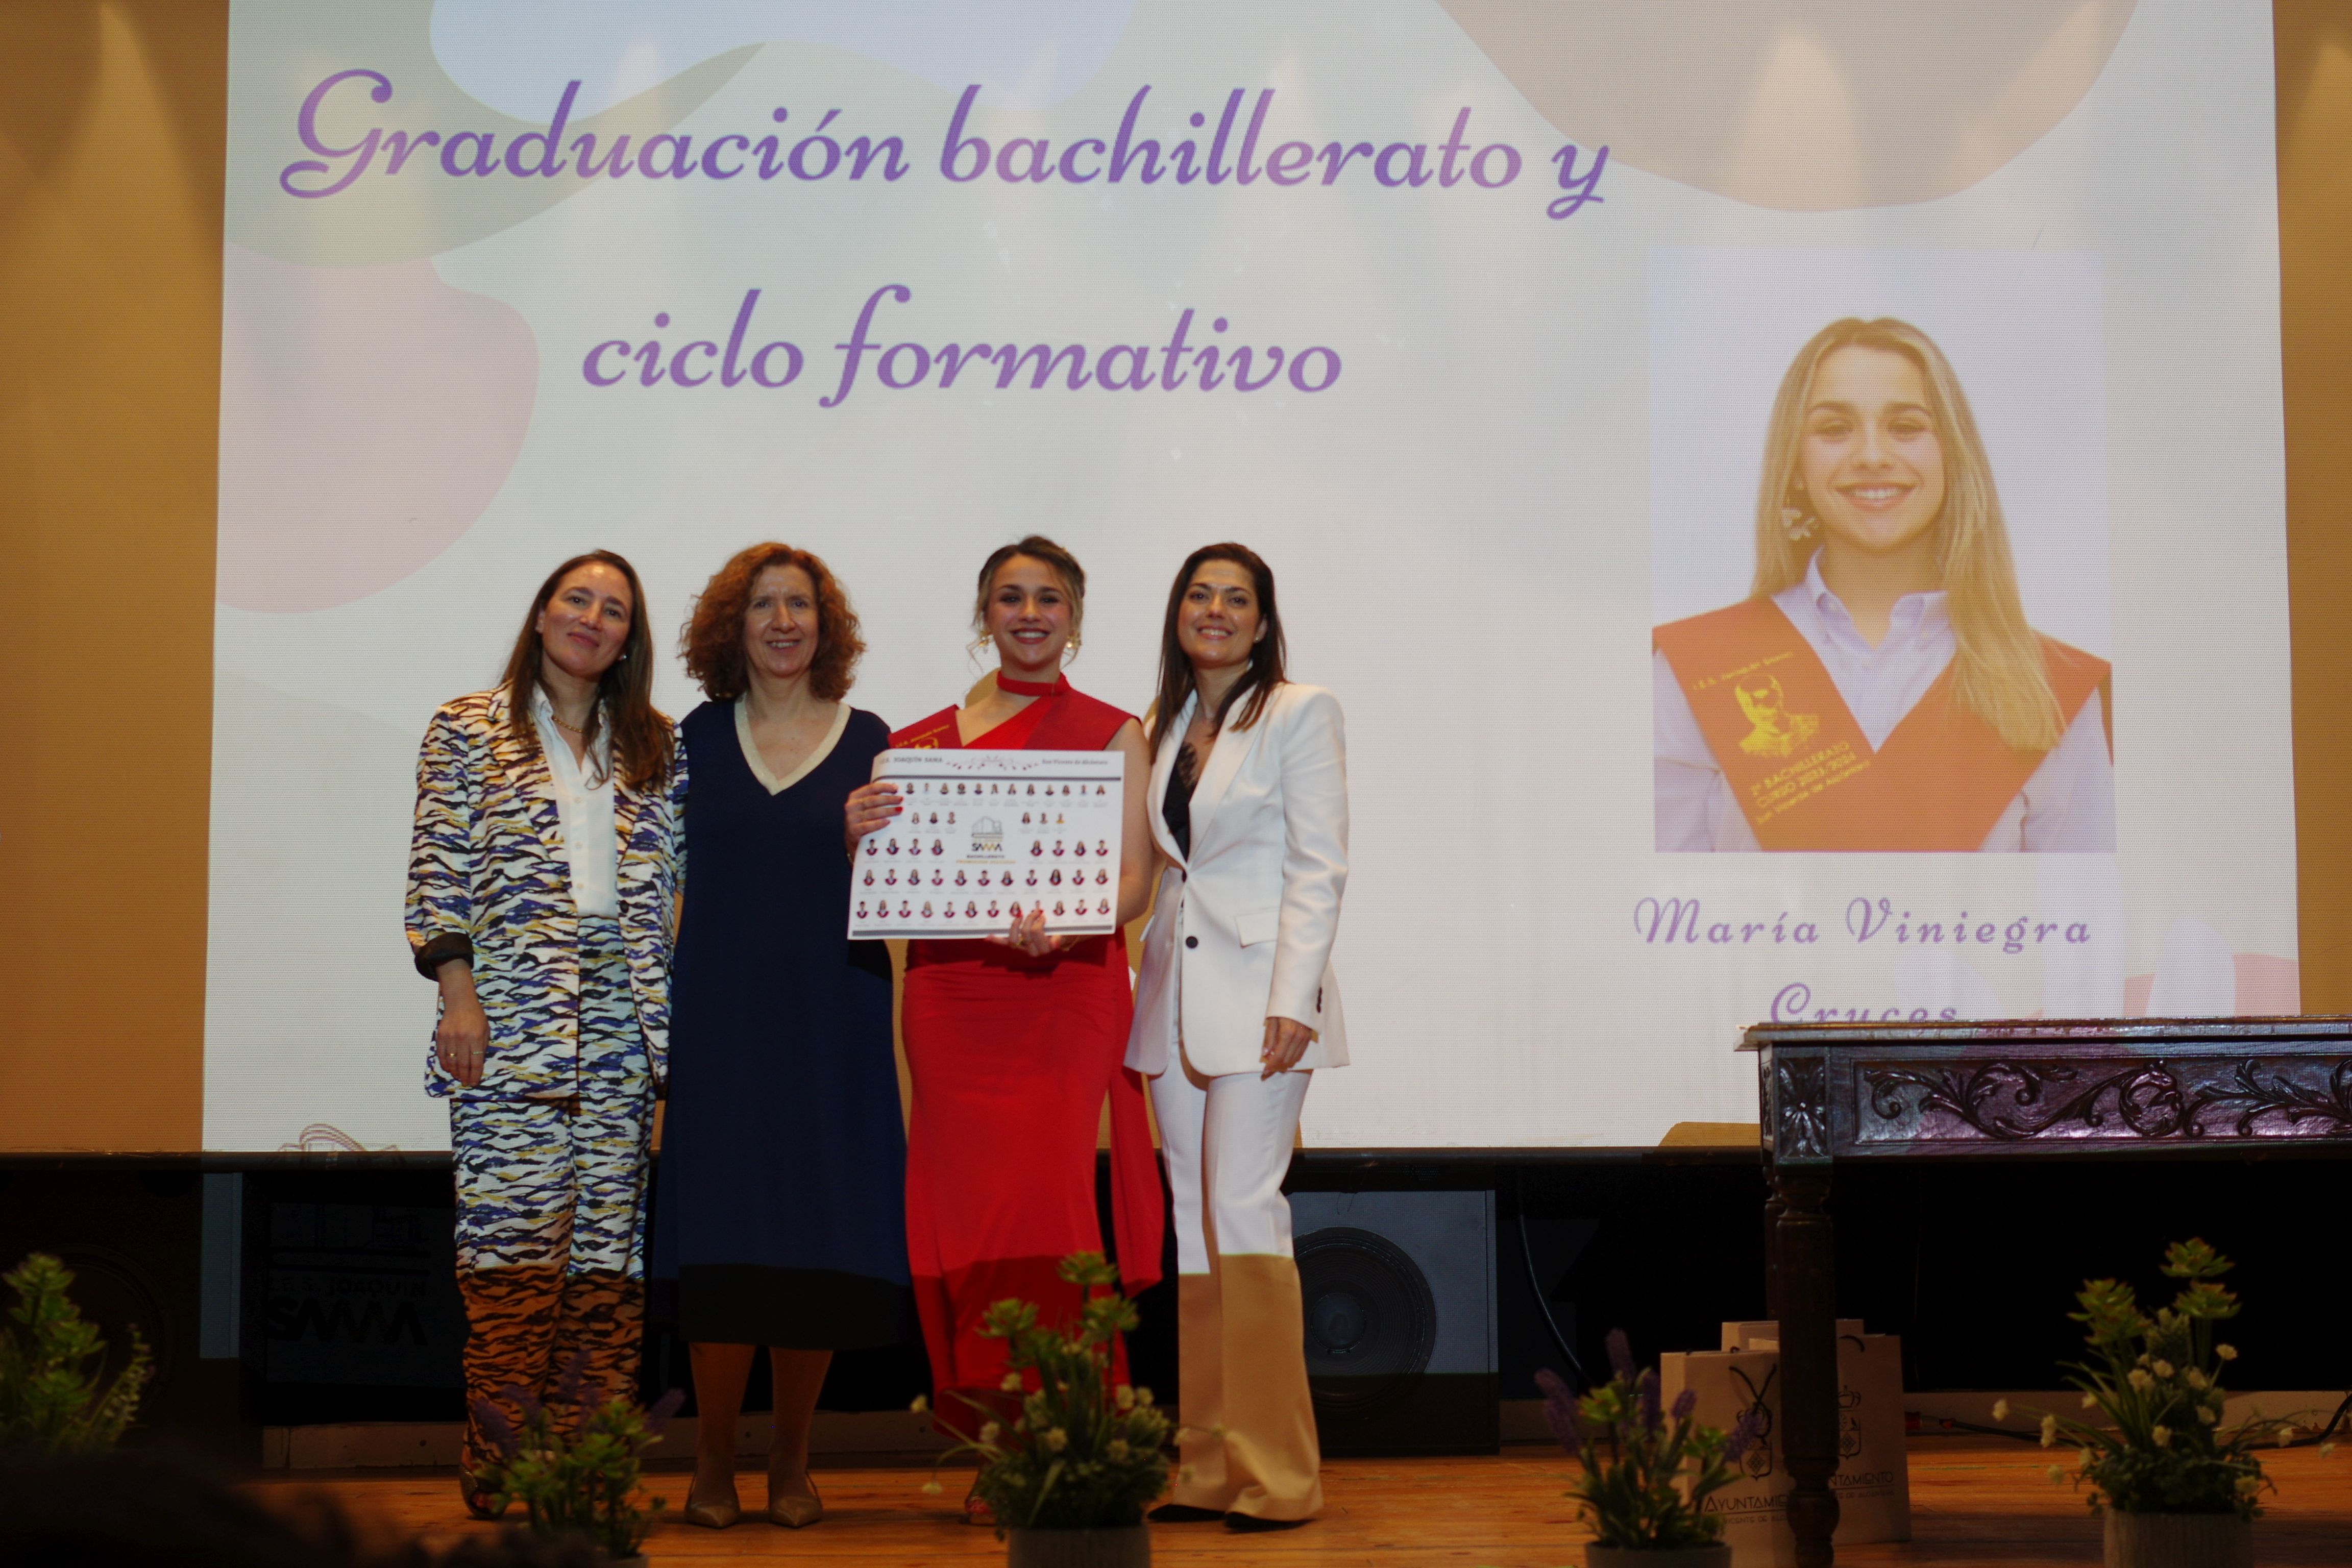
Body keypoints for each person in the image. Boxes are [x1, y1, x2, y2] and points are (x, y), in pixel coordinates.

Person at [844, 535, 1163, 1518]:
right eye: (1010, 597)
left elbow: (1136, 879)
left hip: (1063, 992)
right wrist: (857, 833)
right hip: (949, 999)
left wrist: (1067, 920)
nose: (1030, 614)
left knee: (1047, 1208)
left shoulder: (1113, 731)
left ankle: (1065, 1431)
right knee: (965, 1213)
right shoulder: (918, 746)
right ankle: (999, 1441)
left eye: (1049, 598)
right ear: (983, 614)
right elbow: (889, 874)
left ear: (1075, 616)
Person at [404, 550, 683, 1518]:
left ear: (628, 639)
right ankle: (504, 1467)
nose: (592, 619)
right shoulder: (466, 727)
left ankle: (588, 1472)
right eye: (577, 599)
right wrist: (459, 995)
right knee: (511, 1257)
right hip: (509, 1012)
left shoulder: (657, 744)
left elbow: (683, 883)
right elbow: (436, 869)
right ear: (541, 614)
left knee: (606, 1262)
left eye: (614, 610)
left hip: (625, 1021)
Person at [650, 545, 910, 1530]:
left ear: (824, 626)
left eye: (800, 604)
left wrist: (863, 842)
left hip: (833, 1021)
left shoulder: (872, 739)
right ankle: (713, 1454)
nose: (783, 621)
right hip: (719, 1021)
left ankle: (792, 1458)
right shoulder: (690, 739)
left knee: (815, 1240)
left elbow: (909, 878)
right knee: (724, 1241)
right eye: (763, 604)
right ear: (734, 624)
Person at [1654, 316, 2113, 851]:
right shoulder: (1697, 670)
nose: (1872, 456)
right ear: (1795, 464)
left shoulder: (2049, 689)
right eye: (1834, 430)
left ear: (1953, 455)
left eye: (1907, 427)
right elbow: (1667, 897)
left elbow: (2082, 904)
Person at [1126, 543, 1348, 1533]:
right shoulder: (1160, 724)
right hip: (1173, 997)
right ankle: (1210, 1466)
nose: (1214, 610)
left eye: (1236, 598)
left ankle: (1279, 1476)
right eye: (1199, 595)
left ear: (1262, 623)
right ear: (1179, 614)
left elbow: (1319, 864)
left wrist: (1294, 997)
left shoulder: (1300, 711)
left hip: (1264, 1000)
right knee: (1194, 1219)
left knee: (1242, 1209)